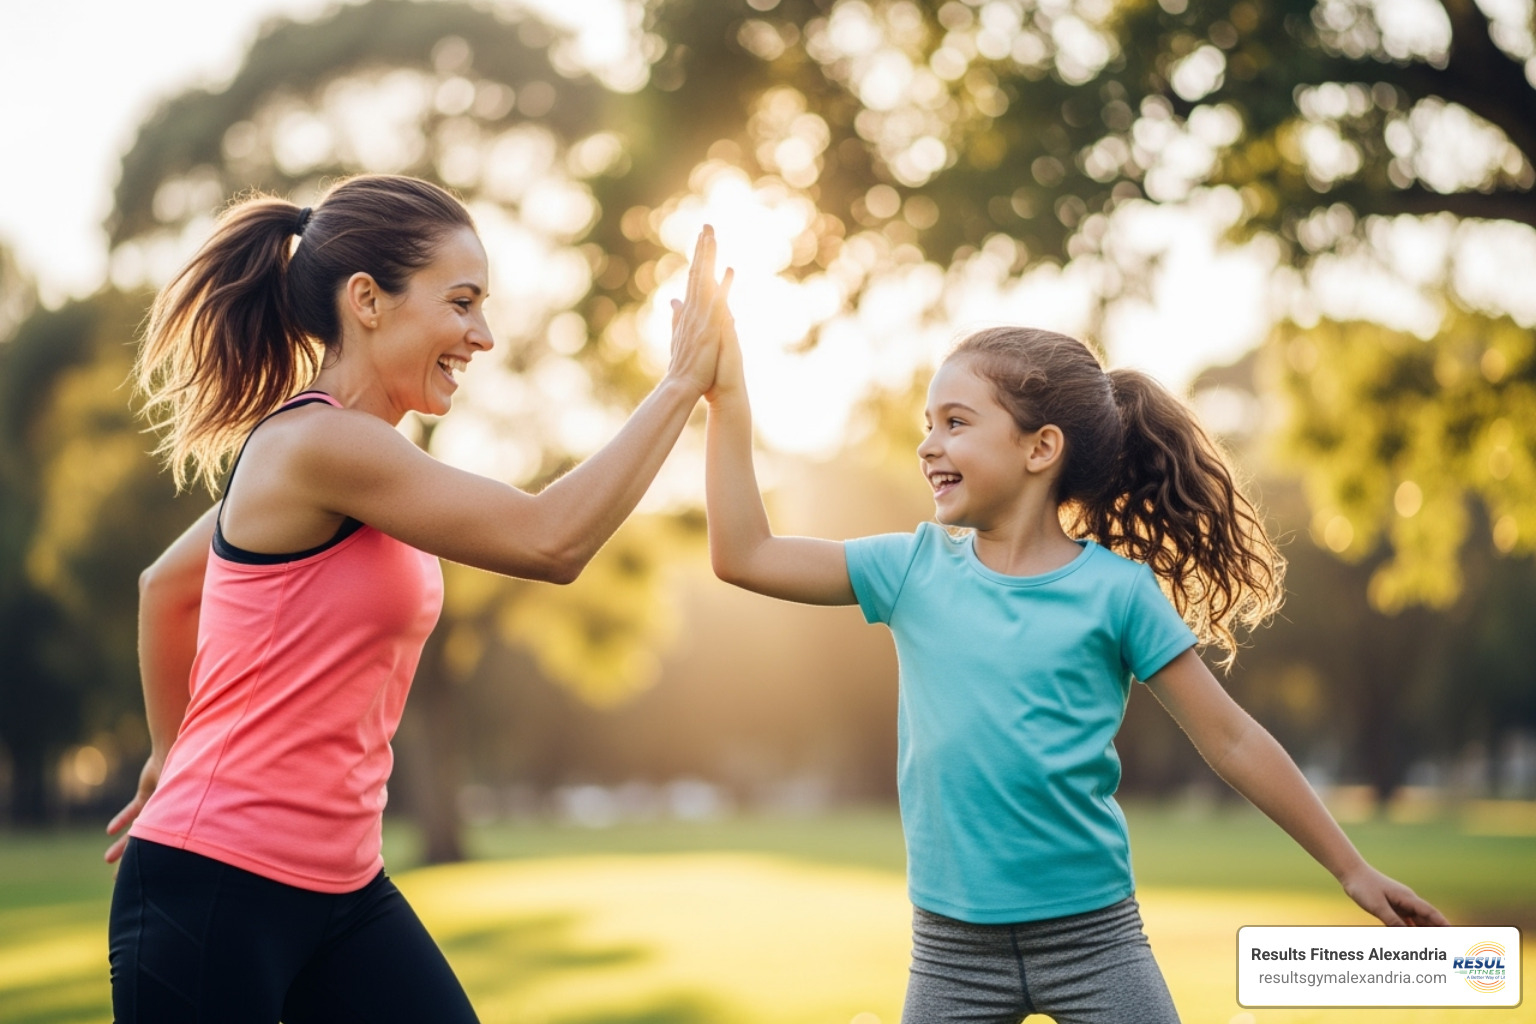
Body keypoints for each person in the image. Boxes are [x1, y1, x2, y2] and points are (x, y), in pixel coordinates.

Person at [103, 173, 732, 1023]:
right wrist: (680, 384)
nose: (483, 335)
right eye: (462, 302)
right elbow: (551, 539)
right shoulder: (321, 444)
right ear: (367, 299)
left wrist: (167, 755)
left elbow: (164, 585)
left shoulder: (348, 460)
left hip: (342, 889)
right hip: (217, 887)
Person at [703, 323, 1447, 1023]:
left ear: (1040, 447)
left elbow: (1233, 741)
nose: (928, 445)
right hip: (951, 951)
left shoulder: (1117, 592)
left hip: (1095, 940)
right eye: (926, 425)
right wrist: (726, 398)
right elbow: (744, 553)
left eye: (955, 422)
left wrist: (1352, 869)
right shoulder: (910, 569)